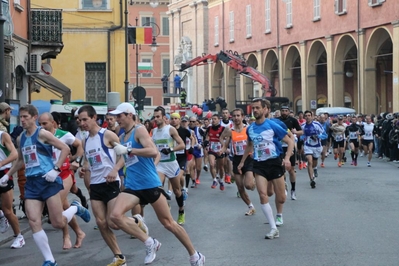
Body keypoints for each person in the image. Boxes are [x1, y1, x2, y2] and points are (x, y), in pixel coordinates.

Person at [109, 102, 205, 266]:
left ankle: (195, 255)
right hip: (133, 185)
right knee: (114, 217)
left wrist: (129, 150)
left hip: (149, 184)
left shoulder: (139, 130)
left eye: (120, 116)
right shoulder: (122, 136)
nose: (117, 119)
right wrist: (114, 169)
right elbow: (124, 158)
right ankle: (149, 242)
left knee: (168, 224)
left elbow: (153, 151)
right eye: (116, 116)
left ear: (130, 115)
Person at [1, 104, 90, 266]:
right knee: (34, 221)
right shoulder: (21, 138)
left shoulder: (42, 134)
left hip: (48, 181)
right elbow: (20, 160)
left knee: (57, 223)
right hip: (32, 183)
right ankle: (49, 259)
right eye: (20, 117)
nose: (22, 120)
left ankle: (75, 207)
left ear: (34, 117)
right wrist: (7, 175)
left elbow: (64, 148)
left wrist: (55, 170)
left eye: (25, 117)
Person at [77, 105, 126, 266]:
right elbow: (87, 161)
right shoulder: (85, 140)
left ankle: (136, 221)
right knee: (101, 222)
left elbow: (124, 156)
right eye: (79, 120)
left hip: (110, 182)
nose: (82, 123)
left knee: (114, 222)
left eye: (85, 119)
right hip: (95, 185)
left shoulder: (108, 135)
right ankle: (118, 256)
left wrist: (115, 170)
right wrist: (83, 169)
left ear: (94, 118)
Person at [238, 98, 294, 239]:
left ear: (264, 109)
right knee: (263, 194)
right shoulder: (250, 128)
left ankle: (282, 197)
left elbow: (289, 141)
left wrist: (287, 159)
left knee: (280, 198)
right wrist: (242, 162)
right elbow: (249, 146)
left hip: (274, 163)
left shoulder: (272, 125)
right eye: (253, 108)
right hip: (259, 163)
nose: (255, 110)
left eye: (257, 108)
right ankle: (273, 228)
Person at [38, 112, 86, 250]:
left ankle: (66, 236)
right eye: (39, 124)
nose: (42, 127)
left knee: (57, 204)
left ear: (53, 123)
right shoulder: (39, 138)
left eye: (44, 124)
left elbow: (80, 145)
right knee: (64, 207)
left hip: (65, 173)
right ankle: (79, 232)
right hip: (49, 176)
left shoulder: (64, 134)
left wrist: (76, 160)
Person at [151, 106, 187, 225]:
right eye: (154, 117)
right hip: (160, 164)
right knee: (156, 186)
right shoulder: (154, 132)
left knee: (177, 191)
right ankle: (165, 203)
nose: (155, 119)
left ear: (164, 117)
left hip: (171, 163)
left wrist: (171, 149)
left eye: (158, 117)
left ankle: (181, 211)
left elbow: (182, 145)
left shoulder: (170, 129)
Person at [222, 108, 256, 215]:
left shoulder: (248, 129)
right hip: (236, 159)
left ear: (242, 117)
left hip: (248, 159)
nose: (236, 118)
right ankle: (250, 206)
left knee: (248, 186)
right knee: (240, 187)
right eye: (234, 116)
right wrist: (222, 150)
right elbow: (225, 143)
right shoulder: (230, 130)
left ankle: (254, 182)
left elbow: (253, 143)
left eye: (238, 116)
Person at [0, 129, 25, 249]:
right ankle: (1, 215)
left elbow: (14, 154)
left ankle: (19, 237)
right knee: (4, 211)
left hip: (3, 173)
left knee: (8, 210)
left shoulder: (3, 135)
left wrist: (1, 163)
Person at [278, 106, 303, 200]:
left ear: (289, 112)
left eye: (286, 111)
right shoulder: (277, 121)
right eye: (282, 111)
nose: (284, 112)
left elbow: (301, 131)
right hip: (280, 147)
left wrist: (296, 132)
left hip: (290, 147)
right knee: (281, 169)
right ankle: (284, 187)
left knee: (291, 169)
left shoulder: (293, 120)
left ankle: (293, 189)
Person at [301, 110, 327, 189]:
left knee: (314, 163)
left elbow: (325, 135)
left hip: (317, 146)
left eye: (309, 115)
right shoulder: (302, 125)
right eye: (306, 116)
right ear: (304, 117)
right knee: (309, 161)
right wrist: (302, 138)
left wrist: (318, 136)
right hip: (308, 146)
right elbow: (301, 135)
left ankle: (315, 169)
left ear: (312, 116)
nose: (307, 117)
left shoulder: (317, 124)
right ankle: (311, 180)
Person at [204, 114, 228, 190]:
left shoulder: (223, 128)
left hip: (220, 150)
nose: (213, 120)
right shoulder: (209, 128)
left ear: (218, 120)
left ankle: (221, 180)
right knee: (211, 164)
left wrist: (224, 148)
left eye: (215, 119)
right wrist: (206, 142)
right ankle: (214, 180)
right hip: (212, 149)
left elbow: (227, 139)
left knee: (221, 167)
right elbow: (207, 137)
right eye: (212, 119)